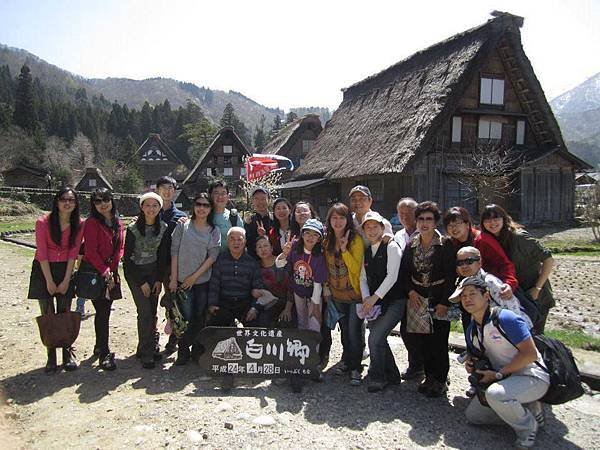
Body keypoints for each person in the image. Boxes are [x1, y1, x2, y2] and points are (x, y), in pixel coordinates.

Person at [457, 276, 549, 449]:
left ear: (486, 296)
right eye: (463, 296)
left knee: (495, 395)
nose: (467, 299)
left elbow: (530, 354)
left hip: (531, 375)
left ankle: (528, 427)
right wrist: (473, 364)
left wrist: (499, 374)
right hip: (504, 378)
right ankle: (526, 408)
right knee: (474, 416)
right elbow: (480, 356)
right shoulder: (472, 330)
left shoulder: (506, 319)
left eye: (472, 294)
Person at [400, 201, 455, 397]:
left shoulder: (445, 245)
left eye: (429, 219)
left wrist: (444, 302)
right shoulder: (411, 245)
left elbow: (451, 277)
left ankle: (440, 380)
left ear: (436, 222)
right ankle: (429, 376)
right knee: (422, 341)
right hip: (417, 298)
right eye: (421, 219)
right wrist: (411, 292)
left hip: (438, 298)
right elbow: (404, 273)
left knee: (439, 342)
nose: (424, 223)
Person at [28, 187, 84, 373]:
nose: (67, 203)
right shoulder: (43, 222)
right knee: (47, 312)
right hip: (44, 268)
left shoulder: (79, 223)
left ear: (76, 204)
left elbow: (73, 253)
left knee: (65, 310)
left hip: (65, 268)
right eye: (63, 199)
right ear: (57, 201)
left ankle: (67, 353)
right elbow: (42, 252)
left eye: (71, 200)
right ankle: (51, 355)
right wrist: (49, 281)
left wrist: (67, 279)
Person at [442, 206, 519, 333]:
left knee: (493, 333)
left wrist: (510, 284)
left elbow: (505, 264)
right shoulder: (451, 244)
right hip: (467, 294)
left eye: (457, 224)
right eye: (450, 225)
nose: (454, 228)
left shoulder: (482, 240)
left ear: (467, 224)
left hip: (490, 294)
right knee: (471, 332)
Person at [480, 205, 555, 333]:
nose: (492, 223)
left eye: (496, 218)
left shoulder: (519, 237)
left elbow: (548, 260)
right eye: (487, 220)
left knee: (534, 337)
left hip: (534, 294)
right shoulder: (488, 241)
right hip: (513, 297)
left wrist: (537, 288)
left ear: (504, 219)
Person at [170, 193, 221, 365]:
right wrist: (174, 278)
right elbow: (174, 252)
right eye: (198, 204)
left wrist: (194, 277)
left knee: (199, 316)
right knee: (184, 317)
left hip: (201, 281)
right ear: (193, 206)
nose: (202, 208)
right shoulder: (183, 226)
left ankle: (197, 351)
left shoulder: (214, 231)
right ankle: (183, 351)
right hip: (182, 281)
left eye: (206, 205)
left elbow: (212, 257)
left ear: (210, 209)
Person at [123, 192, 171, 369]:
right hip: (135, 273)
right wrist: (141, 282)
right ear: (142, 207)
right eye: (147, 205)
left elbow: (162, 255)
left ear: (159, 208)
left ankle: (145, 346)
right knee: (144, 311)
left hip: (154, 272)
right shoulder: (133, 229)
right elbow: (127, 259)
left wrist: (158, 279)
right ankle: (147, 352)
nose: (151, 209)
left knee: (151, 310)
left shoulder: (163, 228)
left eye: (155, 205)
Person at [359, 212, 404, 392]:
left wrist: (373, 298)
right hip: (375, 302)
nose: (371, 230)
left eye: (375, 226)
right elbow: (362, 277)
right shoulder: (367, 250)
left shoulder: (392, 246)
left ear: (382, 227)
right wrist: (365, 298)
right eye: (367, 227)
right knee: (380, 337)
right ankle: (392, 374)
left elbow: (392, 276)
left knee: (375, 337)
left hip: (395, 300)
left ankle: (378, 376)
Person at [276, 219, 327, 376]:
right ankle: (302, 359)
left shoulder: (320, 256)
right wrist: (284, 253)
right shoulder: (295, 249)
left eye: (315, 235)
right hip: (298, 292)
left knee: (314, 324)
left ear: (319, 238)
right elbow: (279, 264)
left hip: (313, 295)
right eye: (307, 233)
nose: (310, 237)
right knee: (302, 323)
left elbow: (318, 283)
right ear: (302, 234)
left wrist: (316, 306)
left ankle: (314, 360)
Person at [82, 188, 125, 371]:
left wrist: (113, 269)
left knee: (104, 311)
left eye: (105, 199)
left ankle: (100, 346)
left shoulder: (117, 222)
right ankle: (104, 352)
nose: (102, 204)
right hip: (94, 272)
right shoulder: (91, 223)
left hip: (110, 271)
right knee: (102, 311)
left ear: (112, 200)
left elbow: (120, 248)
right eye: (97, 201)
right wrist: (105, 271)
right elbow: (90, 251)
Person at [322, 203, 364, 386]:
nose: (338, 222)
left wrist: (345, 250)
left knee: (355, 332)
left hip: (355, 294)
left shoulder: (356, 240)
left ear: (348, 220)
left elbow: (356, 269)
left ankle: (356, 367)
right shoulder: (326, 241)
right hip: (337, 294)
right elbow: (323, 268)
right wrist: (326, 288)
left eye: (341, 218)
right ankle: (347, 361)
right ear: (329, 220)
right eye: (334, 218)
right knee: (345, 331)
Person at [207, 227, 264, 327]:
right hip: (224, 303)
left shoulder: (252, 263)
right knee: (214, 330)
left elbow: (258, 288)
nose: (236, 242)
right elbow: (214, 285)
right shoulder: (220, 260)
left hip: (245, 302)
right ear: (227, 241)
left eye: (239, 239)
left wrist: (254, 308)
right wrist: (212, 304)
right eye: (232, 239)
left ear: (245, 241)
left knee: (255, 327)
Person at [156, 175, 187, 355]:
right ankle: (150, 337)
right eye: (164, 187)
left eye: (171, 188)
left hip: (171, 265)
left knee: (172, 303)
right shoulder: (150, 210)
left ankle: (174, 337)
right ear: (158, 190)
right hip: (151, 265)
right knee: (150, 304)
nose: (167, 191)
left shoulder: (180, 217)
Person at [393, 197, 423, 381]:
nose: (404, 217)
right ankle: (416, 365)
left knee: (427, 333)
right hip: (404, 289)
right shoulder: (398, 236)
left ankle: (434, 370)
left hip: (424, 289)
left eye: (409, 213)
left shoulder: (428, 233)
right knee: (406, 330)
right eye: (401, 213)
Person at [255, 235, 294, 327]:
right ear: (256, 251)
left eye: (265, 246)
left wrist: (287, 309)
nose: (263, 249)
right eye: (259, 247)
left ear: (272, 248)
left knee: (286, 322)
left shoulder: (282, 262)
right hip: (269, 304)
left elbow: (291, 287)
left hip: (288, 303)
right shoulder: (256, 267)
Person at [209, 180, 243, 250]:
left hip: (229, 259)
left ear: (228, 196)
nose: (220, 196)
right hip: (207, 259)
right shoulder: (204, 215)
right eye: (216, 193)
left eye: (223, 193)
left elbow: (241, 240)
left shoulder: (234, 216)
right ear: (210, 195)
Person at [244, 186, 273, 259]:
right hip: (253, 262)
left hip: (273, 262)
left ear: (269, 200)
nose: (260, 202)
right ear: (252, 201)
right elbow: (245, 243)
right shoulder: (249, 221)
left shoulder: (275, 219)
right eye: (256, 199)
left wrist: (265, 235)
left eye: (263, 198)